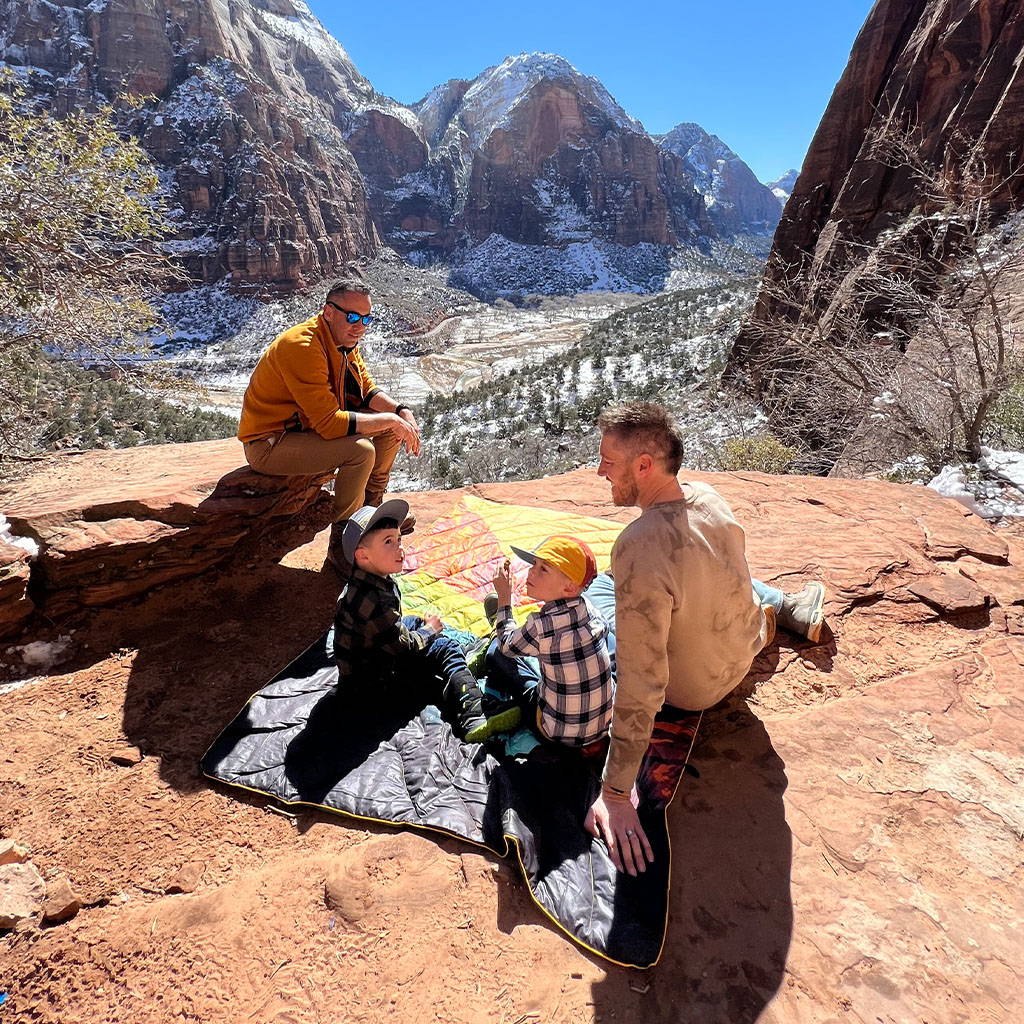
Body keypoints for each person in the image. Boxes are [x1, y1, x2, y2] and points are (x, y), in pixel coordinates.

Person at [585, 403, 826, 876]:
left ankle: (785, 607)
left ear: (644, 466)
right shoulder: (711, 498)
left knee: (597, 587)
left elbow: (642, 677)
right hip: (742, 651)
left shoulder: (639, 542)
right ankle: (790, 607)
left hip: (691, 692)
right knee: (710, 566)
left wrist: (615, 792)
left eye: (608, 462)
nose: (599, 472)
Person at [237, 275, 421, 572]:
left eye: (366, 318)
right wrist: (389, 419)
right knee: (361, 451)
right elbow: (329, 425)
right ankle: (343, 545)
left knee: (390, 427)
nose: (359, 325)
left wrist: (401, 412)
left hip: (305, 431)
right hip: (271, 443)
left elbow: (367, 390)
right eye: (352, 316)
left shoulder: (343, 341)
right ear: (328, 312)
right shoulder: (303, 345)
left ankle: (371, 516)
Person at [333, 499, 519, 742]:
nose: (400, 549)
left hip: (365, 668)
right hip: (375, 686)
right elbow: (402, 646)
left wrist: (422, 629)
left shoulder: (367, 582)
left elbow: (391, 630)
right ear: (363, 556)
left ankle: (462, 657)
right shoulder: (373, 599)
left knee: (413, 621)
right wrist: (429, 632)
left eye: (399, 540)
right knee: (443, 646)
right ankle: (473, 713)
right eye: (389, 542)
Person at [485, 536, 616, 749]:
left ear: (570, 587)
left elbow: (507, 647)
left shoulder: (540, 626)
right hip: (603, 728)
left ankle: (497, 623)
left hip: (555, 733)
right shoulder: (592, 611)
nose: (531, 572)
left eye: (544, 569)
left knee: (497, 652)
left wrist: (504, 599)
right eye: (534, 564)